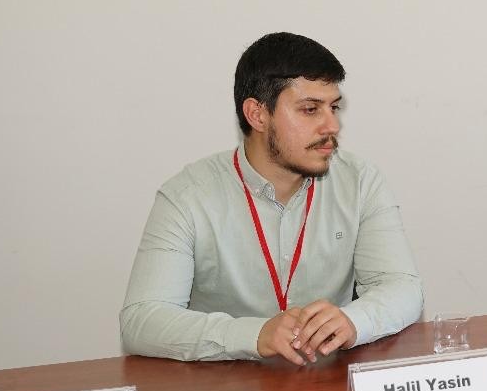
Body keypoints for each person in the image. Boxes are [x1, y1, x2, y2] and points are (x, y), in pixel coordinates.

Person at [121, 33, 424, 363]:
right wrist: (253, 334)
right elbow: (142, 321)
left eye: (334, 107)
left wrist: (354, 321)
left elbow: (403, 287)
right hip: (225, 384)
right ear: (257, 115)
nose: (332, 125)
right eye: (310, 109)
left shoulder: (360, 182)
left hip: (325, 380)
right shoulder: (187, 196)